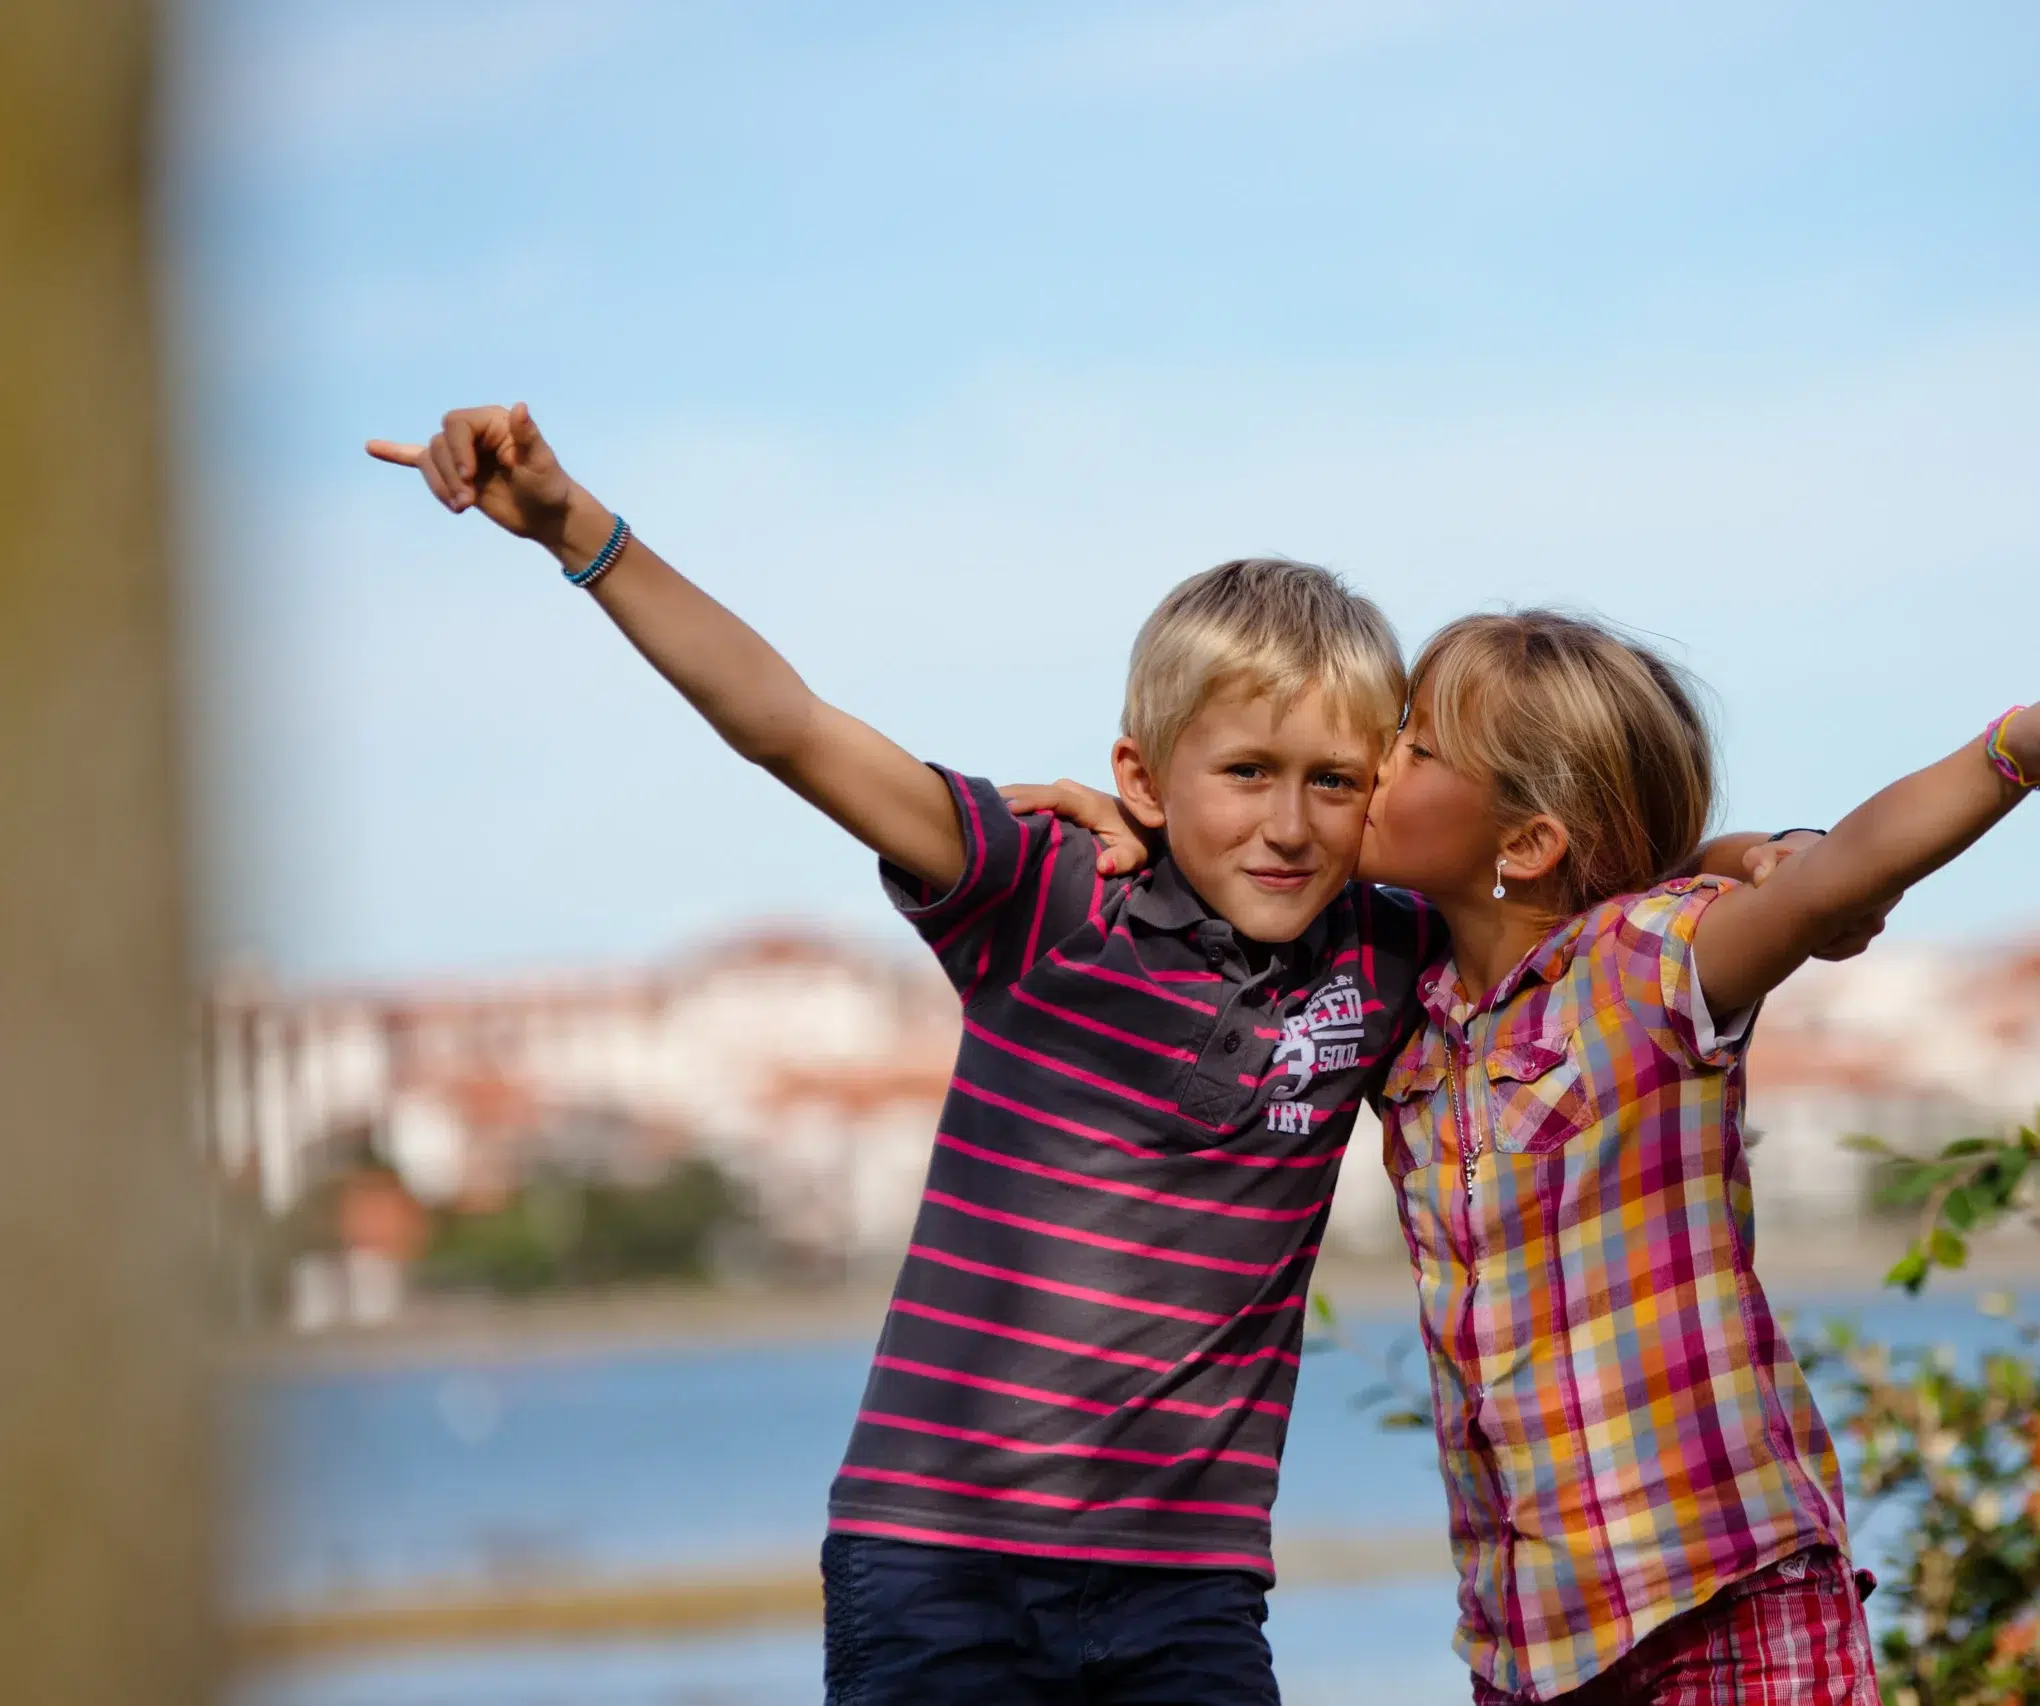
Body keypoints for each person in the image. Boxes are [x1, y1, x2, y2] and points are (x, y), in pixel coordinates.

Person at [363, 405, 1839, 1705]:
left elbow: (1554, 892)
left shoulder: (1386, 952)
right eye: (1246, 772)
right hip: (939, 1558)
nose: (1286, 821)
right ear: (1144, 773)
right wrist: (578, 530)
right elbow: (789, 726)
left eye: (1337, 782)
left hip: (1189, 1585)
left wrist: (1735, 855)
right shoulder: (1042, 891)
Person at [1349, 608, 2040, 1705]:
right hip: (1532, 1641)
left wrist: (2008, 755)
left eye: (1413, 747)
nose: (1373, 762)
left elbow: (1831, 878)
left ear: (1524, 842)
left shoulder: (1640, 965)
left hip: (1722, 1592)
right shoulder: (1405, 1014)